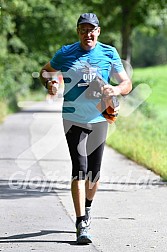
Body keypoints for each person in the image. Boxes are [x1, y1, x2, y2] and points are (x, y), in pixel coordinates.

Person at [40, 13, 132, 244]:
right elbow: (46, 71)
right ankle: (81, 222)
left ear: (98, 31)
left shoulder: (109, 53)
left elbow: (126, 83)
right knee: (79, 168)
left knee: (94, 173)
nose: (87, 34)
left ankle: (87, 208)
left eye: (92, 30)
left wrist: (116, 90)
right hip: (73, 118)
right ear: (78, 31)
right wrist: (50, 83)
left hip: (100, 118)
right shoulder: (66, 53)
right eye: (83, 29)